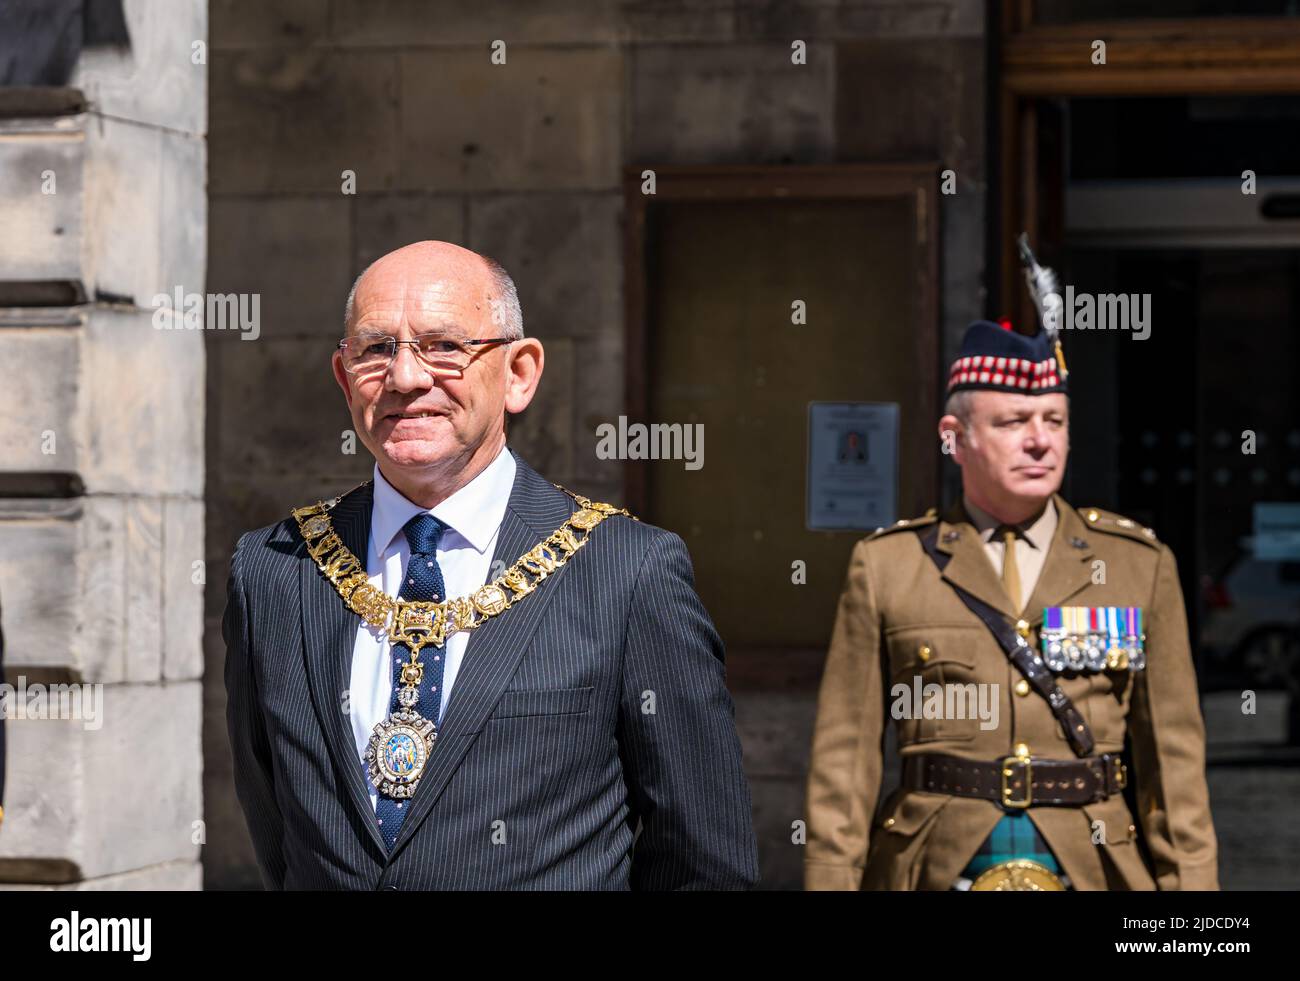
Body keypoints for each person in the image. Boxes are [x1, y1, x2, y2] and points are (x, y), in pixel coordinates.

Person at [224, 241, 758, 890]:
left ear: (519, 372)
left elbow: (705, 863)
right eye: (376, 349)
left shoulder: (626, 571)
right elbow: (278, 833)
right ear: (344, 377)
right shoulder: (276, 570)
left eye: (444, 345)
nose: (406, 378)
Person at [804, 319, 1218, 891]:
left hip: (1094, 868)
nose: (1040, 440)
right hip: (932, 868)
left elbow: (1173, 764)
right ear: (955, 437)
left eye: (1055, 421)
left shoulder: (1136, 564)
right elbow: (843, 762)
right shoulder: (888, 565)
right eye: (1013, 422)